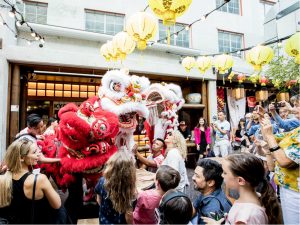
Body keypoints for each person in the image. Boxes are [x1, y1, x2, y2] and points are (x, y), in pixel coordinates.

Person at [202, 153, 282, 225]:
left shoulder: (246, 216)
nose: (222, 175)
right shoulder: (258, 197)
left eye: (225, 173)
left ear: (240, 180)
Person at [0, 139, 62, 224]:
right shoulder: (40, 179)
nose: (39, 154)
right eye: (34, 152)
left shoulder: (2, 179)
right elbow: (57, 205)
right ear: (22, 158)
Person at [260, 99, 300, 225]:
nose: (293, 109)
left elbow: (285, 161)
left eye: (296, 106)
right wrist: (263, 119)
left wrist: (270, 137)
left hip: (295, 192)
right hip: (288, 189)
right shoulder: (297, 130)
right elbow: (271, 137)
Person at [95, 150, 137, 224]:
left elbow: (99, 200)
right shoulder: (130, 189)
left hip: (104, 221)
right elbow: (129, 216)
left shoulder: (102, 181)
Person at [192, 158, 232, 225]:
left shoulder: (212, 210)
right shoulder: (207, 192)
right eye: (194, 174)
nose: (193, 178)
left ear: (210, 183)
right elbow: (194, 207)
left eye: (197, 176)